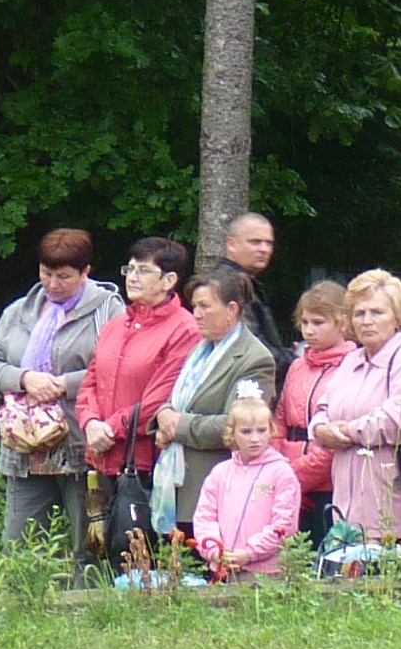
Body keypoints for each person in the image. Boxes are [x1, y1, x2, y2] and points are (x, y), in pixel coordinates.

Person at [0, 228, 122, 574]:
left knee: (88, 545)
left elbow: (115, 370)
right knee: (18, 545)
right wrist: (24, 379)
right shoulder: (19, 311)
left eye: (64, 277)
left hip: (80, 444)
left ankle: (88, 614)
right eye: (46, 274)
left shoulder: (108, 310)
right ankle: (18, 613)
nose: (53, 285)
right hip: (25, 448)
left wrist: (62, 384)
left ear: (86, 272)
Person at [78, 238, 199, 582]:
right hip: (101, 456)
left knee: (137, 551)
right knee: (98, 549)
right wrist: (89, 423)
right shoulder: (117, 324)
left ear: (169, 280)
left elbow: (158, 399)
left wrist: (110, 429)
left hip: (144, 463)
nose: (132, 276)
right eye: (129, 268)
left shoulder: (183, 329)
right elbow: (90, 380)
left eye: (144, 270)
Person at [150, 263, 279, 546]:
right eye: (194, 306)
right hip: (176, 487)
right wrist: (163, 416)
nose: (196, 314)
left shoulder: (254, 359)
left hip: (213, 491)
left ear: (232, 310)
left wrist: (178, 425)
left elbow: (239, 426)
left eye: (205, 306)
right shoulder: (201, 350)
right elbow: (176, 400)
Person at [313, 270, 401, 552]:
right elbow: (322, 408)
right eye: (359, 313)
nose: (367, 321)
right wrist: (321, 430)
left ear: (397, 317)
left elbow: (400, 419)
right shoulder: (350, 361)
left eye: (377, 312)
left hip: (390, 509)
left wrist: (346, 431)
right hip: (346, 507)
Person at [189, 390, 301, 579]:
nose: (255, 439)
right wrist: (215, 550)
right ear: (232, 433)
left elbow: (284, 524)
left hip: (268, 571)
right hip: (225, 568)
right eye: (246, 432)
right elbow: (204, 517)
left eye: (262, 430)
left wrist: (249, 553)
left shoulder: (281, 472)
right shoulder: (220, 473)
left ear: (271, 430)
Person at [278, 279, 352, 539]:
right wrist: (277, 465)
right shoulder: (298, 366)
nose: (309, 330)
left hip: (328, 483)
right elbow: (279, 420)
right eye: (305, 322)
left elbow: (338, 436)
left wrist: (297, 475)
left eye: (319, 323)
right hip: (288, 471)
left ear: (342, 323)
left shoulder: (352, 366)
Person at [218, 210, 288, 357]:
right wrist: (295, 364)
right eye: (255, 242)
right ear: (231, 244)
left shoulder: (244, 281)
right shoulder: (229, 285)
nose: (264, 249)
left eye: (268, 243)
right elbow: (251, 347)